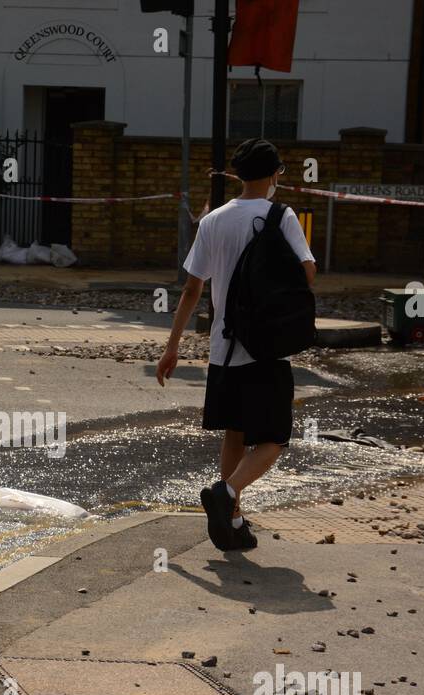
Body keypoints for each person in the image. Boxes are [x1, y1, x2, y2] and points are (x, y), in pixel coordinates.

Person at [156, 138, 317, 550]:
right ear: (276, 173)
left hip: (223, 349)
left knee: (234, 433)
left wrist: (171, 347)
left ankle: (233, 522)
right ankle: (225, 495)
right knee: (274, 439)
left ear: (237, 175)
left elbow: (192, 288)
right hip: (266, 348)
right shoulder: (280, 216)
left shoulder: (213, 221)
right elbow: (307, 274)